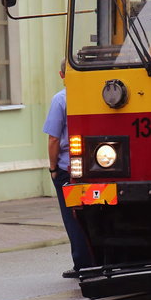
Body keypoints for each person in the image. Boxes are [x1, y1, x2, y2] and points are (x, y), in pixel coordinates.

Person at [42, 59, 93, 278]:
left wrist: (53, 168)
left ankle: (83, 263)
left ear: (62, 75)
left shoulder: (60, 99)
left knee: (71, 216)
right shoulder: (92, 95)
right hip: (95, 167)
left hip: (67, 169)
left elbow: (54, 139)